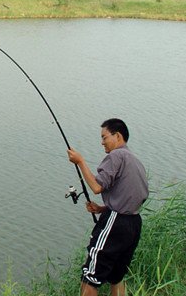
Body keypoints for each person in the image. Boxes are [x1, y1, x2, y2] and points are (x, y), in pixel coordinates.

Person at [67, 118, 149, 296]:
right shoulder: (135, 161)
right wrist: (102, 208)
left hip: (115, 223)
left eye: (104, 137)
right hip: (134, 223)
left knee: (90, 276)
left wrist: (80, 161)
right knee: (116, 277)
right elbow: (135, 198)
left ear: (117, 136)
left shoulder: (116, 156)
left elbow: (97, 187)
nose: (101, 142)